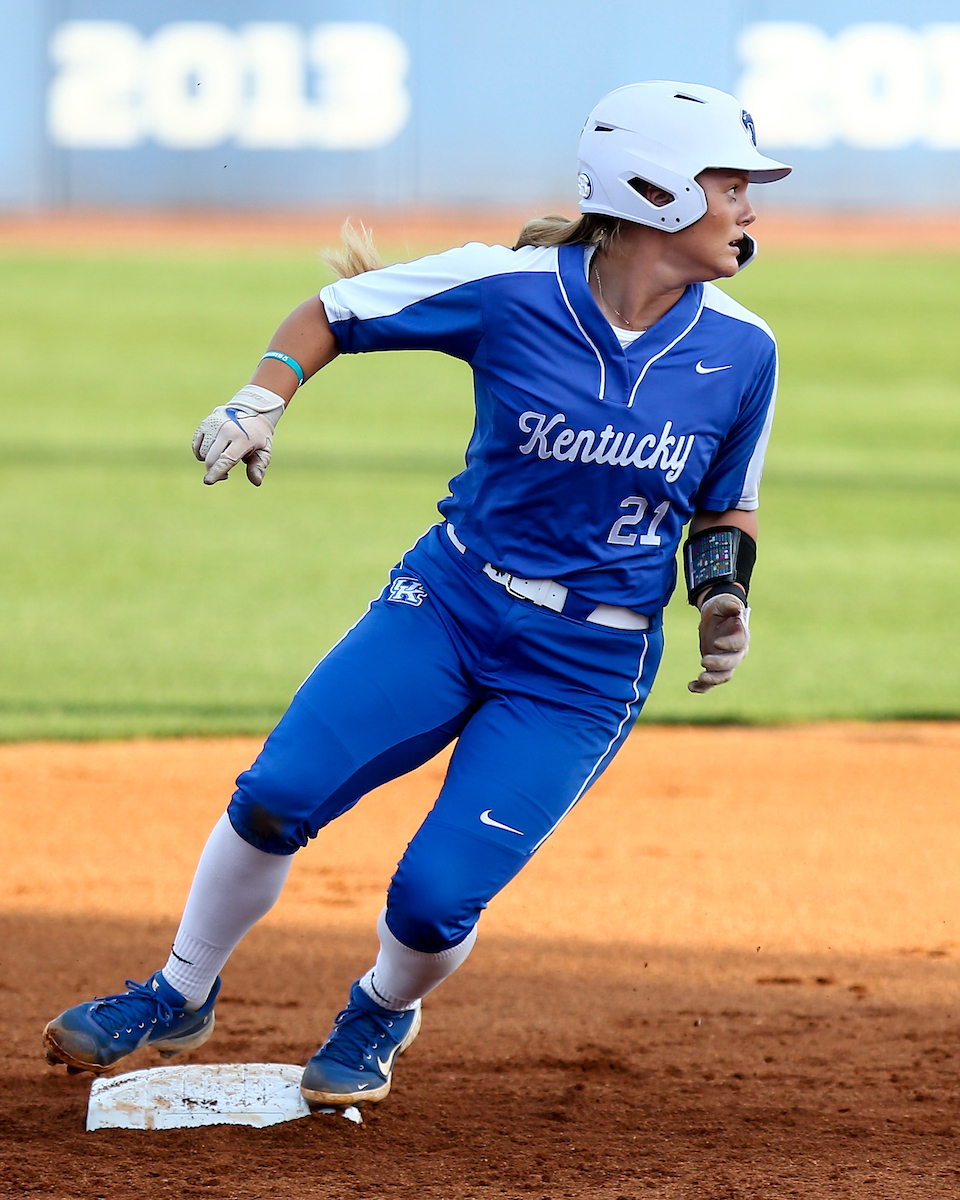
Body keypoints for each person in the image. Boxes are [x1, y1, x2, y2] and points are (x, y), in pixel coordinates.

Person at [43, 81, 791, 1108]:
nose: (750, 206)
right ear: (655, 191)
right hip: (448, 604)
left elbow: (726, 508)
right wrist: (262, 397)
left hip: (586, 666)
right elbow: (332, 313)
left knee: (434, 897)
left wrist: (720, 598)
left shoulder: (745, 349)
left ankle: (381, 1010)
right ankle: (179, 989)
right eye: (730, 181)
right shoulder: (512, 289)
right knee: (276, 794)